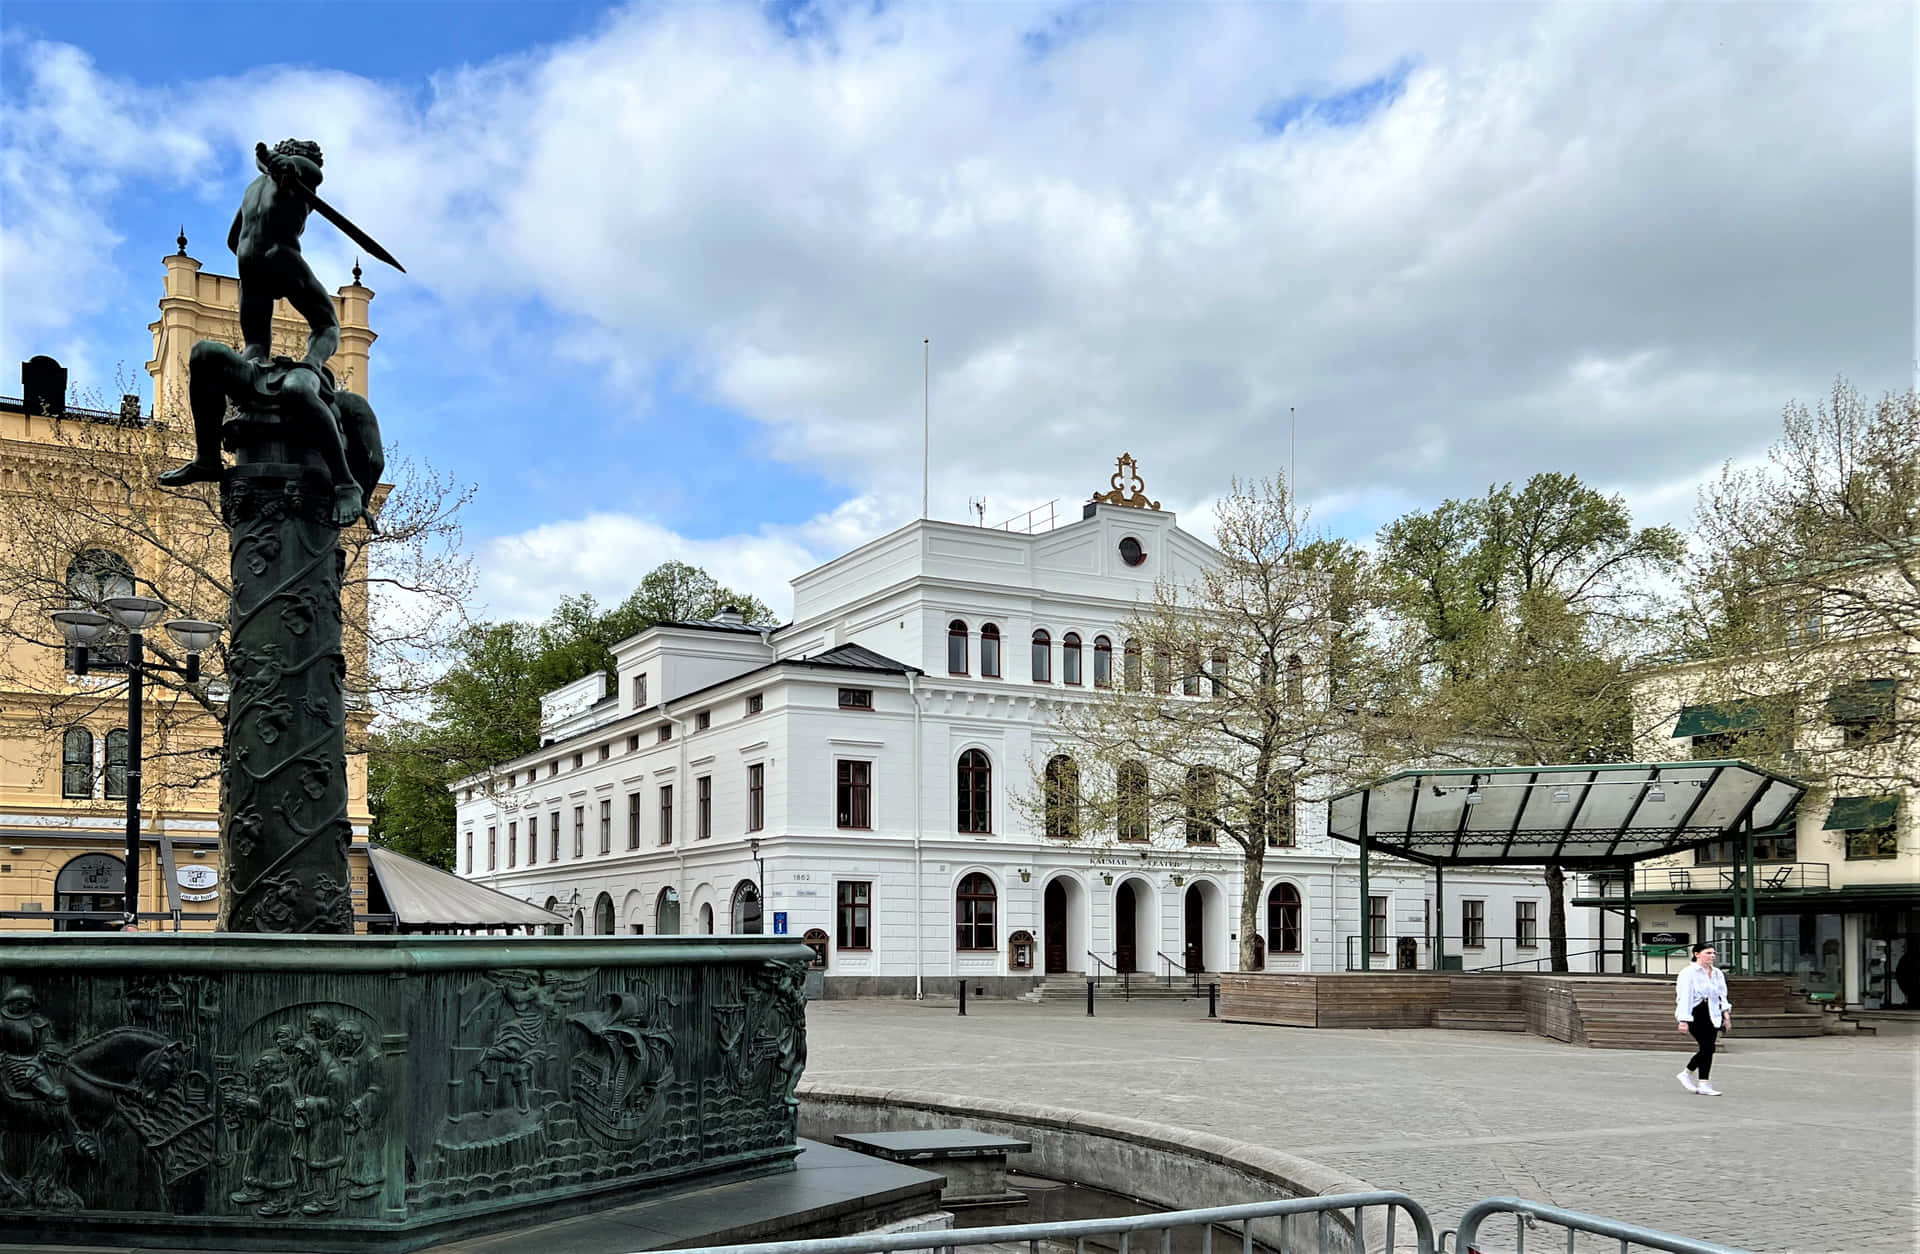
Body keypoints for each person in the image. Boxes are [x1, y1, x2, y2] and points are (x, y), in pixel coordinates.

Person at [1675, 942, 1732, 1095]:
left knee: (1709, 1048)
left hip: (1713, 1012)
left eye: (1713, 953)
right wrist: (1683, 1019)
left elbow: (1722, 994)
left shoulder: (1717, 973)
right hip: (1696, 1011)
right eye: (1708, 953)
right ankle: (1695, 1078)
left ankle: (1696, 1078)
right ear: (1697, 954)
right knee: (1707, 1047)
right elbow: (1684, 996)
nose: (1712, 956)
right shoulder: (1688, 972)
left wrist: (1726, 1015)